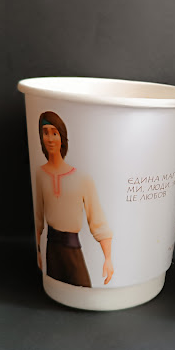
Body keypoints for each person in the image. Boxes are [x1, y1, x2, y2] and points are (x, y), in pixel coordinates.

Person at [34, 111, 114, 287]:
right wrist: (39, 251)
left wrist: (107, 259)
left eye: (54, 133)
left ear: (62, 137)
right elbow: (38, 218)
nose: (50, 138)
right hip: (51, 251)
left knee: (83, 288)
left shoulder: (82, 179)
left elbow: (98, 221)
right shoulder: (40, 174)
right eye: (45, 132)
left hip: (72, 251)